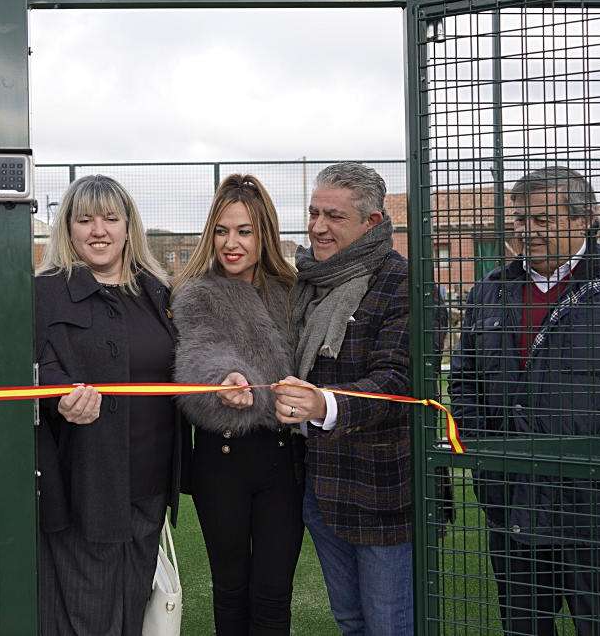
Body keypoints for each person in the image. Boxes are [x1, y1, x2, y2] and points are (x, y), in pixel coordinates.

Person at [450, 166, 600, 635]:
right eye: (520, 219)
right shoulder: (491, 288)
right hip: (515, 503)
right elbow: (464, 382)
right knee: (523, 626)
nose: (527, 231)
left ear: (584, 218)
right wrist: (489, 455)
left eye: (543, 220)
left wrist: (598, 461)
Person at [35, 174, 182, 636]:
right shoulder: (45, 292)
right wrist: (60, 395)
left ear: (128, 226)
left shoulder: (157, 291)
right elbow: (29, 365)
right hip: (84, 484)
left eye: (110, 219)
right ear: (68, 228)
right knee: (87, 616)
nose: (98, 231)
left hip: (149, 482)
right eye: (85, 220)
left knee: (133, 609)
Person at [272, 162, 412, 636]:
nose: (317, 227)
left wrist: (324, 405)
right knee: (350, 621)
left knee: (389, 625)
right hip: (322, 488)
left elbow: (397, 380)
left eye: (333, 216)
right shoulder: (308, 280)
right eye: (314, 212)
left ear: (371, 222)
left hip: (382, 494)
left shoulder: (402, 281)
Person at [171, 174, 302, 635]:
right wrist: (222, 378)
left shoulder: (292, 291)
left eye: (244, 231)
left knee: (273, 596)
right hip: (221, 462)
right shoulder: (195, 293)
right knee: (230, 590)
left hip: (283, 461)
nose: (232, 244)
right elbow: (199, 351)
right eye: (222, 231)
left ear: (264, 233)